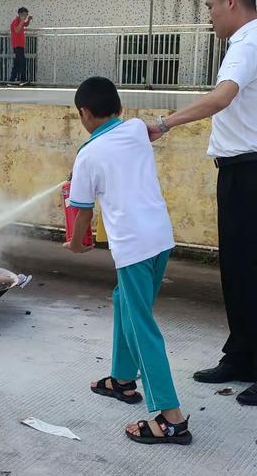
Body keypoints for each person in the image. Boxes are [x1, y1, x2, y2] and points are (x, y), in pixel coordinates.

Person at [146, 0, 257, 406]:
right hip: (243, 172)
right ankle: (241, 357)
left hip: (252, 174)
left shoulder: (250, 43)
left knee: (254, 270)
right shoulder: (251, 41)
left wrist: (164, 124)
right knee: (238, 269)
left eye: (212, 4)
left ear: (232, 1)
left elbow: (221, 97)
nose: (208, 12)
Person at [64, 76, 192, 445]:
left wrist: (74, 245)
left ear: (85, 114)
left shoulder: (87, 155)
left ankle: (171, 418)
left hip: (134, 248)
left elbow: (82, 213)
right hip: (160, 239)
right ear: (119, 109)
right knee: (124, 301)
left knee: (141, 326)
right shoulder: (135, 129)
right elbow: (148, 131)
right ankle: (122, 380)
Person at [10, 7, 32, 85]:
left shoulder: (20, 21)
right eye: (24, 15)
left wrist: (28, 20)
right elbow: (16, 30)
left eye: (26, 15)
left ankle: (12, 80)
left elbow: (25, 25)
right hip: (17, 45)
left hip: (20, 45)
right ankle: (23, 79)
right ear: (19, 14)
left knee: (17, 63)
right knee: (22, 61)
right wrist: (21, 22)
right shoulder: (15, 21)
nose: (25, 17)